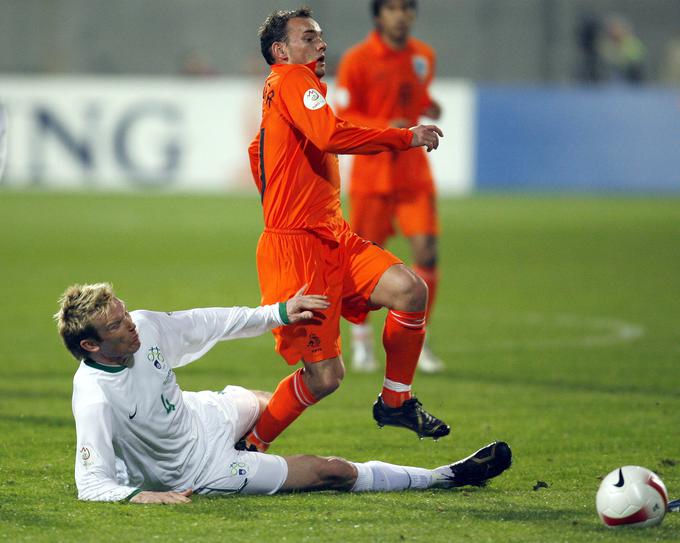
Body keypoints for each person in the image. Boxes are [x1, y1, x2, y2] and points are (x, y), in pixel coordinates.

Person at [54, 283, 512, 503]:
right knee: (327, 471)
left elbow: (208, 322)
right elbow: (91, 484)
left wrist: (278, 312)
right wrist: (147, 497)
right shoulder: (94, 397)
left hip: (200, 415)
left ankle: (252, 445)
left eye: (124, 312)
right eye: (117, 324)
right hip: (197, 467)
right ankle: (444, 477)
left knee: (272, 404)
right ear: (91, 345)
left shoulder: (145, 327)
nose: (130, 324)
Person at [246, 7, 448, 453]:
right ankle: (250, 447)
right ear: (280, 51)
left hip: (334, 235)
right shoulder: (291, 79)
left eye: (321, 37)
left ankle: (396, 400)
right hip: (298, 250)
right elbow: (330, 136)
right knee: (325, 377)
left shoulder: (291, 89)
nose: (321, 44)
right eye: (308, 38)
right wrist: (404, 136)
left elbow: (257, 150)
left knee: (410, 291)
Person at [335, 0, 444, 374]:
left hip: (413, 170)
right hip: (373, 171)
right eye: (394, 8)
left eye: (407, 8)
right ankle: (361, 341)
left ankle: (418, 338)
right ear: (379, 15)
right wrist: (387, 126)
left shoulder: (423, 56)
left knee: (427, 252)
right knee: (367, 260)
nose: (402, 15)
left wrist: (430, 105)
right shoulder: (357, 59)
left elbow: (415, 94)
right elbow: (344, 116)